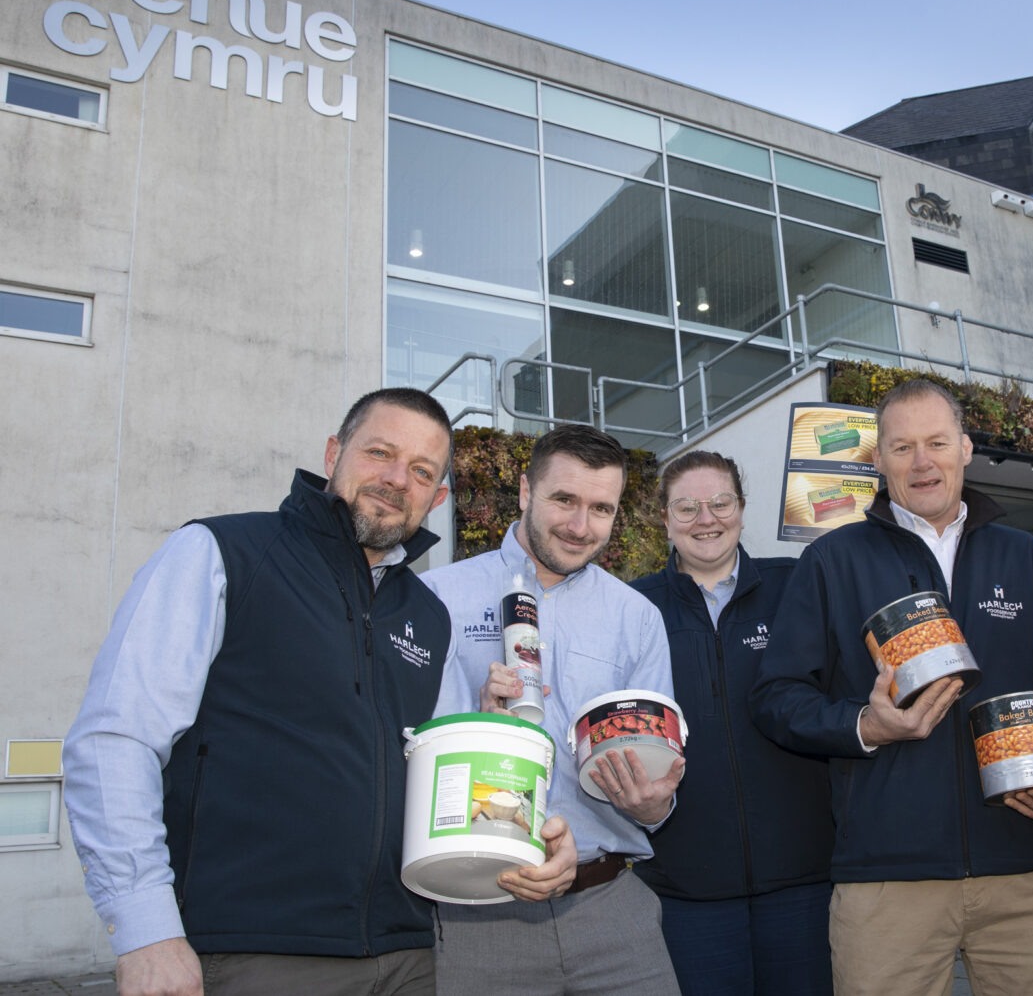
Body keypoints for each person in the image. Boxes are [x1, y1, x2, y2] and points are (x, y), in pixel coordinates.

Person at [63, 387, 577, 996]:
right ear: (334, 453)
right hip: (255, 949)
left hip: (406, 953)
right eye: (379, 453)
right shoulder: (224, 553)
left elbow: (434, 781)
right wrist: (145, 930)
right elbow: (114, 741)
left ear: (437, 498)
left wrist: (525, 838)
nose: (397, 480)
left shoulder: (427, 615)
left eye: (421, 471)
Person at [752, 378, 1033, 996]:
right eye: (902, 447)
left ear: (965, 448)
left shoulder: (1028, 554)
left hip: (1025, 867)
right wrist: (864, 726)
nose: (921, 462)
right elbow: (777, 697)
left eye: (936, 442)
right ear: (878, 461)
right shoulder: (832, 560)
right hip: (886, 879)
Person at [422, 423, 683, 996]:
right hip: (480, 913)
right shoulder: (437, 598)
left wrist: (654, 804)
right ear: (525, 491)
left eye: (601, 508)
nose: (579, 526)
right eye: (564, 499)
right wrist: (481, 727)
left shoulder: (636, 616)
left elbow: (655, 777)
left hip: (611, 909)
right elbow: (414, 753)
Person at [629, 451, 832, 995]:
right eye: (687, 507)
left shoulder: (796, 584)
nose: (706, 519)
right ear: (664, 517)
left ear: (742, 508)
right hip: (686, 887)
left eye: (720, 503)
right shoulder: (635, 607)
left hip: (804, 878)